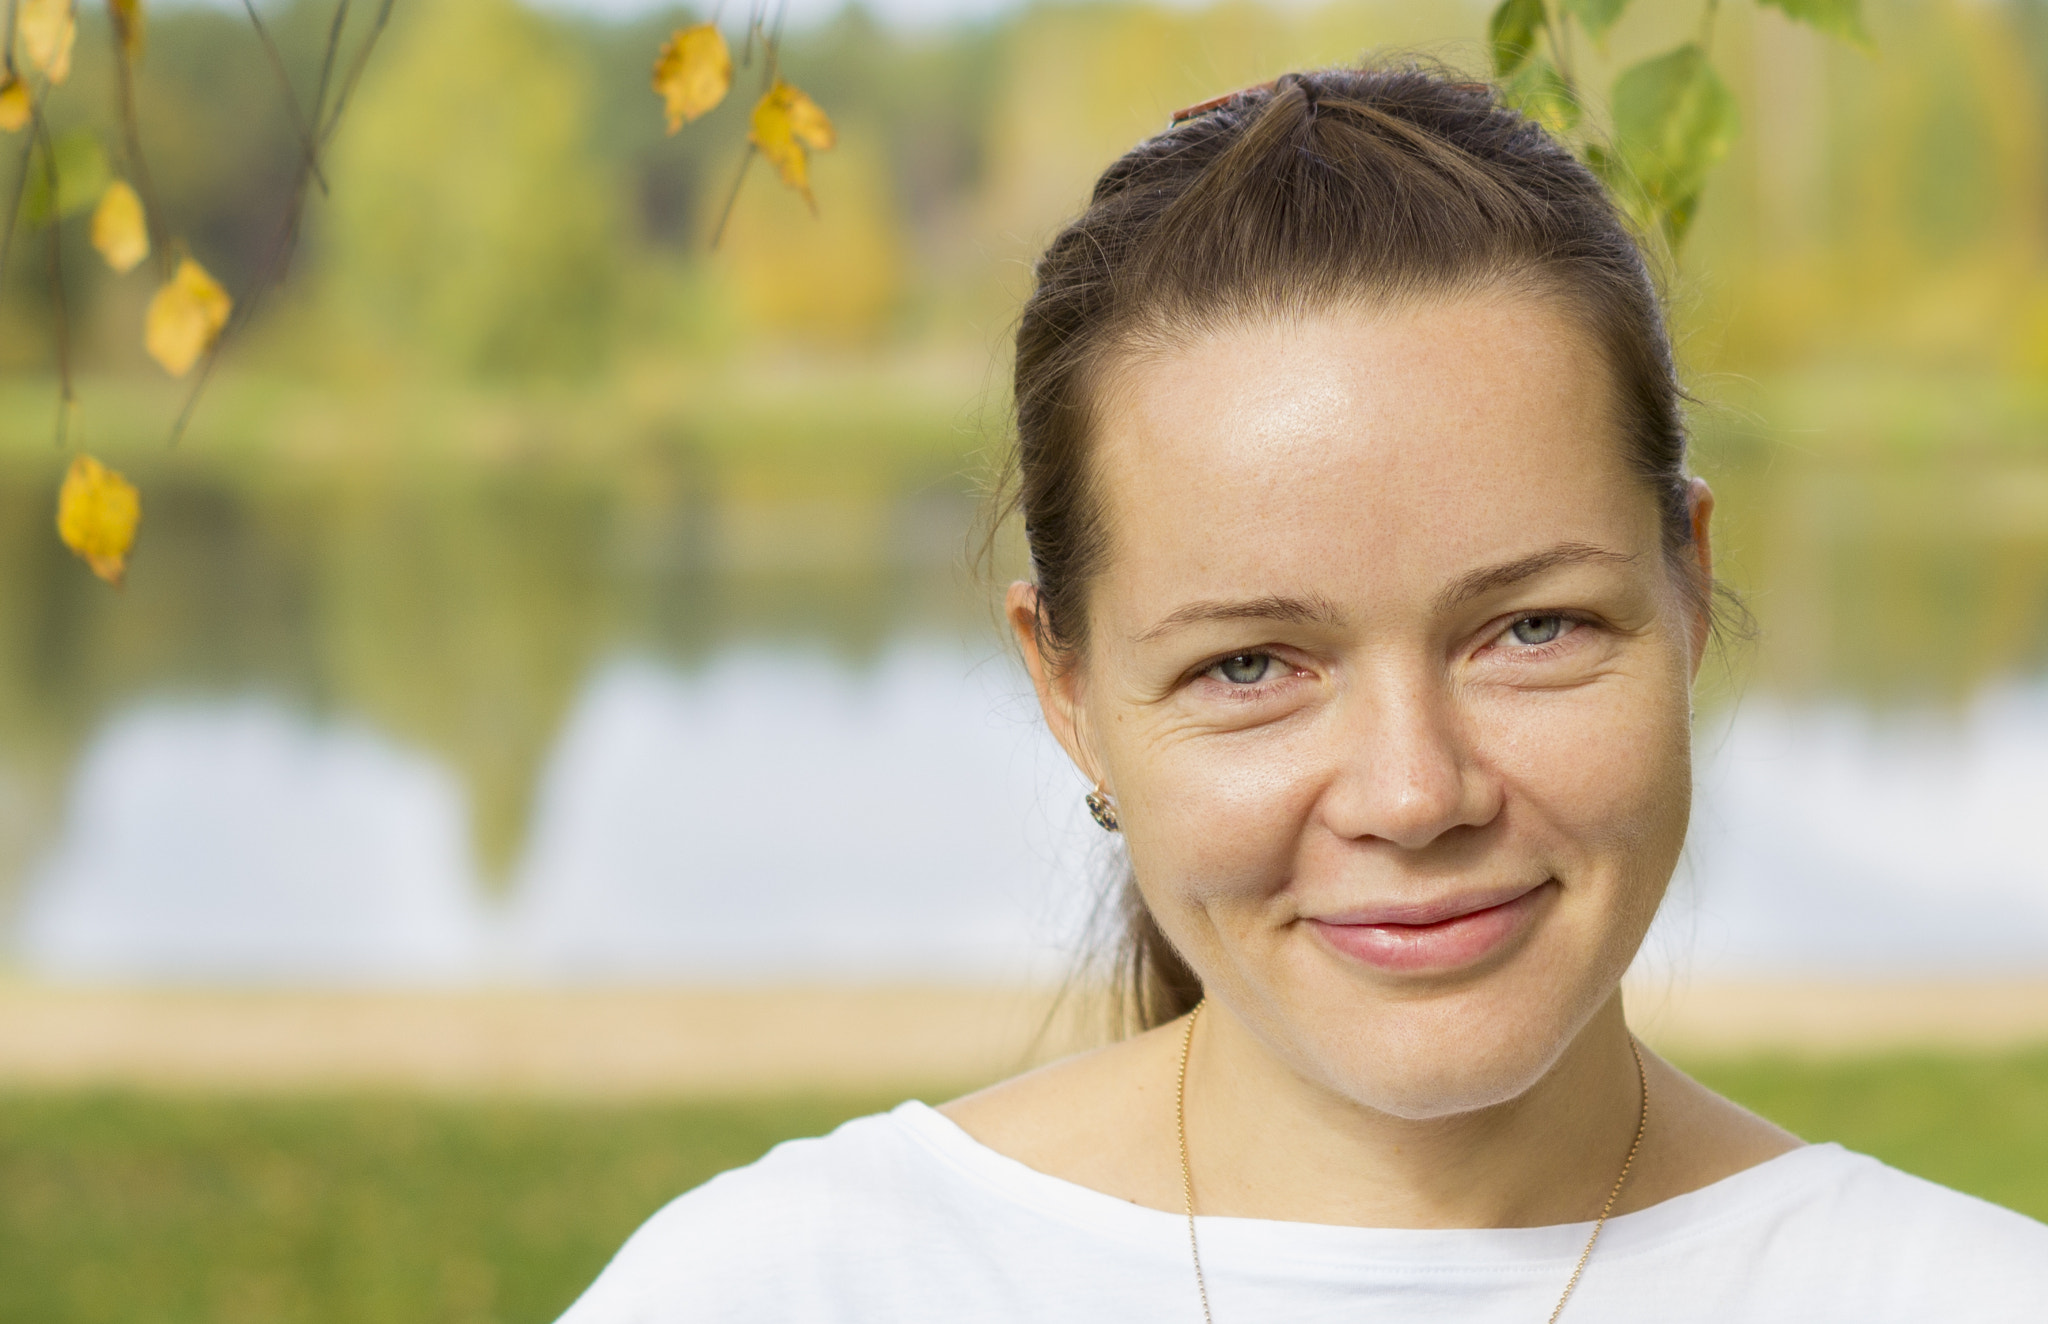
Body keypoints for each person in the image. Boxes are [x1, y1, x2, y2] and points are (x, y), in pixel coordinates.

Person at [557, 65, 2048, 1322]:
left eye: (1529, 628)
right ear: (1065, 687)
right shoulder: (780, 1289)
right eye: (1251, 665)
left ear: (1684, 585)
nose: (1414, 793)